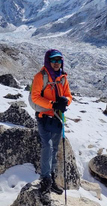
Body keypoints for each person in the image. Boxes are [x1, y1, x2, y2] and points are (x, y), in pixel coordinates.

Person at [30, 49, 72, 196]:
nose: (56, 63)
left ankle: (52, 178)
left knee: (54, 149)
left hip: (57, 118)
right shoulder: (40, 77)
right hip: (44, 116)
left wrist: (65, 102)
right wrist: (53, 104)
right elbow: (35, 97)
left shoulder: (62, 78)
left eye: (59, 60)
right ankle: (45, 179)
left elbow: (68, 95)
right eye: (53, 60)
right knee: (47, 147)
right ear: (48, 61)